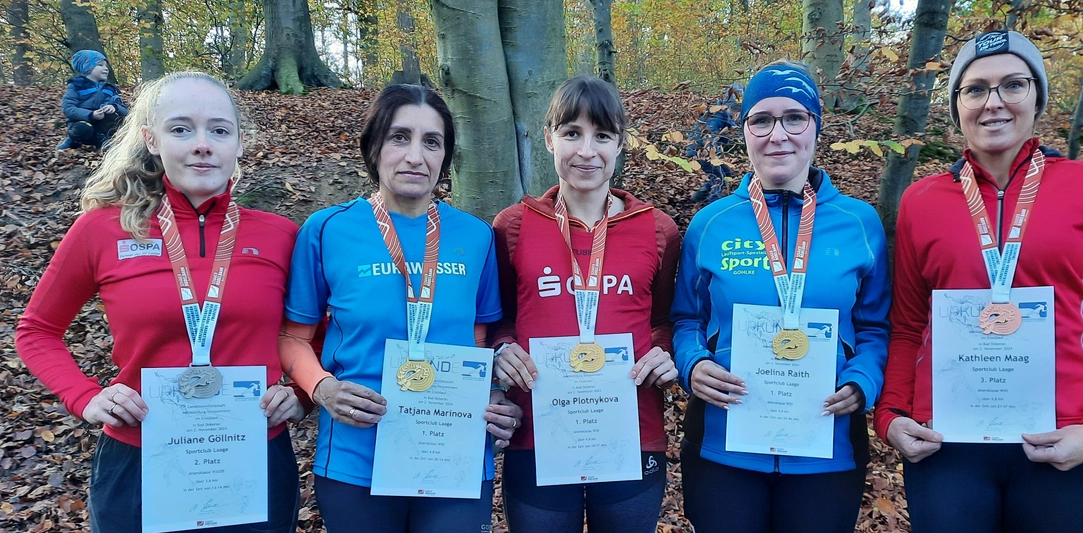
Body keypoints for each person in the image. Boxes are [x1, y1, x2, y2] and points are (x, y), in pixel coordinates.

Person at [875, 30, 1083, 532]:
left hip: (1063, 441)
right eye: (975, 89)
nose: (994, 103)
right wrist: (892, 414)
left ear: (1036, 97)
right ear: (957, 105)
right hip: (948, 444)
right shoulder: (922, 201)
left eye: (1013, 85)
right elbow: (908, 326)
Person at [17, 71, 305, 532]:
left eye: (219, 130)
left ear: (239, 143)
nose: (202, 145)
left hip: (255, 455)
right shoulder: (103, 229)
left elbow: (317, 332)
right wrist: (85, 397)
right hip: (139, 457)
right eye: (181, 129)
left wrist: (302, 395)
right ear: (151, 140)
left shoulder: (282, 236)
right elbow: (37, 330)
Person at [276, 84, 522, 533]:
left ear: (445, 157)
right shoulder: (327, 229)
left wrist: (492, 393)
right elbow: (293, 336)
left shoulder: (476, 236)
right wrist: (322, 389)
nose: (415, 156)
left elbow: (480, 338)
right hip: (355, 456)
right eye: (399, 137)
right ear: (374, 147)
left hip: (453, 451)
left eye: (432, 142)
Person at [670, 60, 891, 533]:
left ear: (816, 126)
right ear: (745, 131)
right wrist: (693, 363)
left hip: (826, 447)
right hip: (724, 446)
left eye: (794, 118)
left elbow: (876, 326)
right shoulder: (710, 223)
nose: (778, 135)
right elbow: (686, 319)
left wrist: (863, 380)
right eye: (761, 120)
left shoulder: (859, 223)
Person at [490, 75, 681, 533]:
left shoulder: (658, 229)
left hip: (631, 430)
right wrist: (501, 349)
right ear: (549, 138)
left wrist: (664, 351)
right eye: (572, 133)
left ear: (621, 143)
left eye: (603, 135)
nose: (587, 151)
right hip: (538, 433)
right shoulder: (513, 226)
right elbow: (500, 319)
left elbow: (664, 320)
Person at [58, 50, 129, 150]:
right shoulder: (76, 85)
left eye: (106, 66)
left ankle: (103, 141)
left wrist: (115, 107)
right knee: (82, 129)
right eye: (100, 65)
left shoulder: (110, 88)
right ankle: (73, 140)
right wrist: (91, 115)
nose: (106, 68)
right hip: (82, 122)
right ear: (88, 67)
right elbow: (68, 108)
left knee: (114, 120)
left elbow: (126, 111)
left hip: (103, 125)